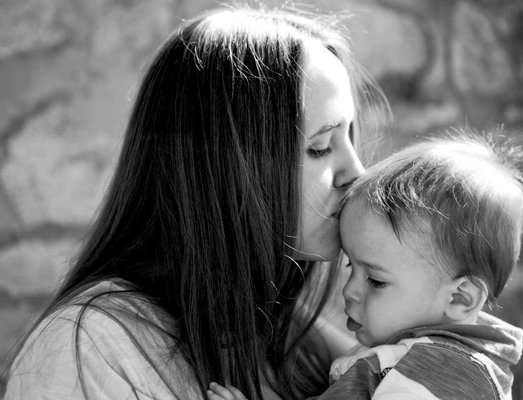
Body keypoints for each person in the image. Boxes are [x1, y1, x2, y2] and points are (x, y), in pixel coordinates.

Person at [3, 3, 388, 400]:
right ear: (228, 167)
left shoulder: (301, 341)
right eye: (322, 147)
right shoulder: (89, 349)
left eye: (349, 138)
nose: (357, 173)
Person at [207, 130, 523, 400]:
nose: (350, 290)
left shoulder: (440, 373)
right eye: (351, 266)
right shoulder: (416, 357)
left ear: (460, 298)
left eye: (375, 280)